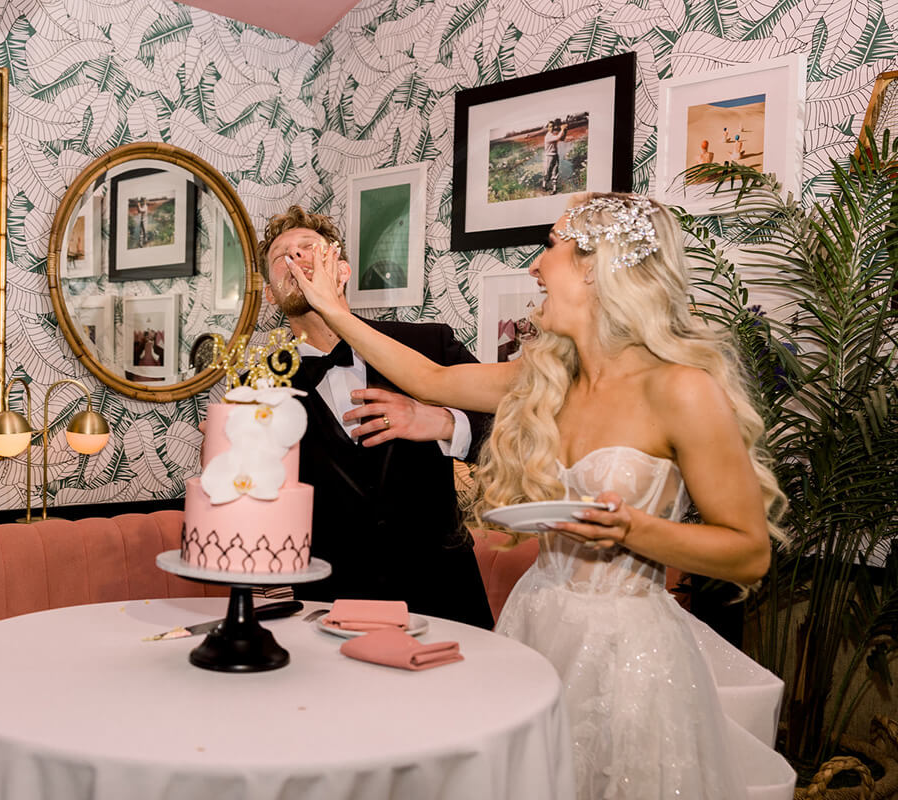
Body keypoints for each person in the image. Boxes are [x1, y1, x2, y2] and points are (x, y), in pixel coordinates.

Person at [289, 192, 788, 798]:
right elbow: (432, 380)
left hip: (627, 648)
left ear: (593, 264)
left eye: (548, 245)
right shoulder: (548, 375)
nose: (532, 266)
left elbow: (748, 552)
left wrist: (631, 529)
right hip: (535, 622)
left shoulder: (681, 389)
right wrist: (331, 310)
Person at [257, 205, 494, 629]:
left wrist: (440, 422)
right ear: (270, 293)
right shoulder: (258, 383)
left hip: (445, 591)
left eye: (309, 248)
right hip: (331, 602)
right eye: (282, 256)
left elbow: (514, 431)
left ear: (342, 271)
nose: (296, 259)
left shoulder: (430, 344)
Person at [542, 118, 568, 194]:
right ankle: (544, 186)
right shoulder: (548, 136)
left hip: (555, 155)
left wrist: (565, 130)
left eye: (553, 126)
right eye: (550, 126)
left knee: (555, 172)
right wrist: (562, 129)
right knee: (547, 173)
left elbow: (562, 139)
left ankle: (554, 189)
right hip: (549, 156)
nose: (552, 128)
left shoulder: (553, 135)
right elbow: (558, 137)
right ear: (548, 128)